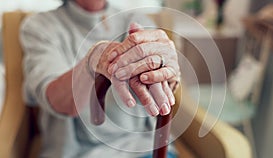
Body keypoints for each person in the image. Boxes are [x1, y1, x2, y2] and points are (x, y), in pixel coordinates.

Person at [20, 0, 180, 157]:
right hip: (81, 153)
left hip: (142, 148)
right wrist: (90, 62)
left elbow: (162, 84)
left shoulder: (136, 21)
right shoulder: (40, 26)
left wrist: (167, 73)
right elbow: (58, 101)